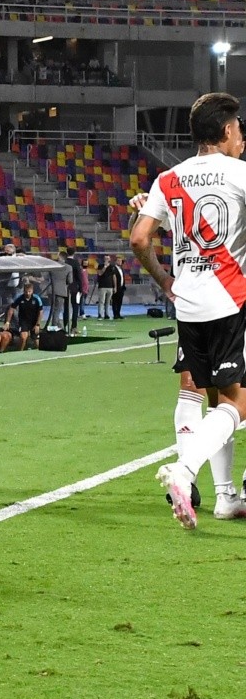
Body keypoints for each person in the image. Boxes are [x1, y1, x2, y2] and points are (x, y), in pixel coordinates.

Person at [129, 92, 246, 530]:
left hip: (189, 305)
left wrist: (164, 281)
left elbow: (140, 240)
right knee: (238, 402)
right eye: (239, 129)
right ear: (227, 130)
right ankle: (184, 469)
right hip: (231, 300)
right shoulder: (239, 174)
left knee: (212, 396)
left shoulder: (168, 179)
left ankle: (226, 498)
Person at [4, 280, 43, 350]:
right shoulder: (20, 298)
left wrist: (37, 325)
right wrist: (7, 322)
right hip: (24, 321)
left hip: (34, 321)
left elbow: (40, 312)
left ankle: (39, 354)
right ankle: (20, 352)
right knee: (23, 337)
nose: (27, 293)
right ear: (23, 291)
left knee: (36, 341)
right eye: (26, 292)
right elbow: (11, 309)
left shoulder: (37, 298)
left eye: (29, 291)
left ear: (32, 291)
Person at [51, 251, 72, 331]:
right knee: (57, 310)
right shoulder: (68, 267)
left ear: (60, 257)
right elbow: (70, 280)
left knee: (53, 310)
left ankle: (59, 326)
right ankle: (54, 327)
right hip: (61, 290)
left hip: (51, 290)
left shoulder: (52, 265)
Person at [96, 255, 116, 319]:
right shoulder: (100, 266)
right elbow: (100, 273)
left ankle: (107, 314)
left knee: (108, 301)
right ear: (104, 259)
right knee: (102, 301)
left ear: (110, 259)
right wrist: (105, 267)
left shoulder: (112, 266)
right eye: (106, 258)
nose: (107, 259)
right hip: (102, 286)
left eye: (108, 258)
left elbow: (114, 276)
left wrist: (115, 286)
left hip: (110, 286)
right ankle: (100, 314)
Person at [111, 255, 125, 319]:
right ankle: (115, 314)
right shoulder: (114, 268)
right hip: (116, 287)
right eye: (118, 261)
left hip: (121, 287)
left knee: (120, 301)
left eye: (120, 261)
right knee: (115, 301)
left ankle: (118, 313)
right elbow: (114, 277)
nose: (119, 262)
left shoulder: (121, 269)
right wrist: (115, 287)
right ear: (116, 261)